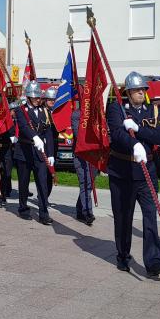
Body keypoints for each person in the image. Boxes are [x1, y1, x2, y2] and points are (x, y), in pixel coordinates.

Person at [106, 71, 160, 277]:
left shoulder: (152, 110)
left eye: (143, 89)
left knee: (150, 215)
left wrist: (138, 130)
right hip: (123, 172)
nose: (141, 92)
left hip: (147, 172)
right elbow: (117, 134)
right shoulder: (117, 108)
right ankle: (123, 256)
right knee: (123, 217)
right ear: (128, 92)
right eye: (137, 90)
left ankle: (154, 262)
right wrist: (133, 144)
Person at [14, 81, 53, 225]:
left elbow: (48, 132)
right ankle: (23, 209)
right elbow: (24, 127)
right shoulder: (20, 110)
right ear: (29, 97)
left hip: (40, 152)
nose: (38, 99)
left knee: (42, 183)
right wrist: (35, 137)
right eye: (35, 97)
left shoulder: (44, 111)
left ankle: (44, 213)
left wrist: (50, 153)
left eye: (39, 97)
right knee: (24, 183)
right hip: (25, 151)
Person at [70, 87, 96, 225]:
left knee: (90, 183)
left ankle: (80, 209)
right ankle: (88, 213)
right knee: (85, 182)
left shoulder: (97, 115)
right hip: (81, 154)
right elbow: (78, 134)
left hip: (94, 154)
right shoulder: (76, 115)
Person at [42, 87, 60, 197]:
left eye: (53, 99)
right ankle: (43, 195)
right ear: (45, 100)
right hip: (43, 144)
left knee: (51, 171)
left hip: (54, 144)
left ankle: (46, 195)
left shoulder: (57, 112)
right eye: (49, 99)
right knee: (43, 171)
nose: (52, 101)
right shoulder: (42, 111)